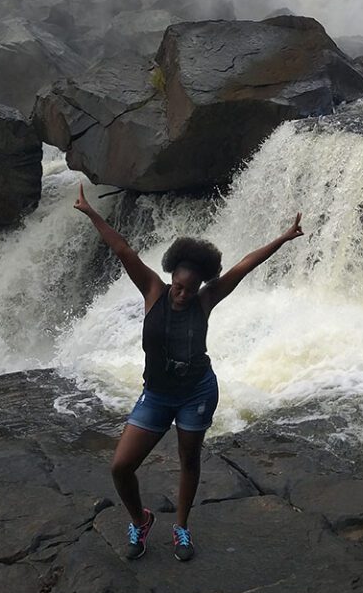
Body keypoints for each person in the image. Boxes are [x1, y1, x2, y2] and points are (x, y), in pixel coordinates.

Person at [73, 183, 303, 562]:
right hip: (158, 395)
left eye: (189, 289)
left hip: (197, 392)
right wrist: (91, 212)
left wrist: (283, 238)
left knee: (189, 459)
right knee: (121, 466)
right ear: (170, 279)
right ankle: (140, 520)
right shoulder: (152, 290)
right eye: (179, 287)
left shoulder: (205, 300)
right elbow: (122, 249)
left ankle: (182, 528)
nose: (182, 295)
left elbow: (244, 265)